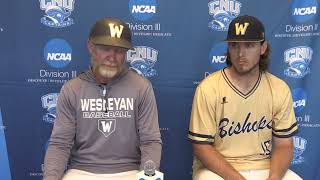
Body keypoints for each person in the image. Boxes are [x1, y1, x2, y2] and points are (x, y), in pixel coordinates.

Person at [43, 17, 162, 180]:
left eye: (119, 50)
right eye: (106, 48)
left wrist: (147, 178)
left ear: (126, 53)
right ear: (91, 47)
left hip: (129, 171)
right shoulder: (72, 89)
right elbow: (60, 144)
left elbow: (151, 142)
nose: (112, 57)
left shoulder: (141, 87)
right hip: (82, 171)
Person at [188, 15, 302, 180]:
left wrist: (275, 177)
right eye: (234, 46)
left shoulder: (278, 88)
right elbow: (201, 147)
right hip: (217, 171)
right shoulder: (209, 88)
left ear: (263, 48)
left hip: (263, 166)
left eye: (249, 45)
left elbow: (285, 145)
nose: (241, 53)